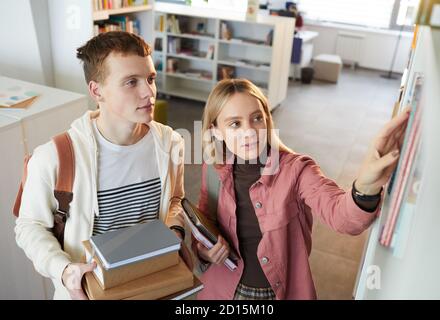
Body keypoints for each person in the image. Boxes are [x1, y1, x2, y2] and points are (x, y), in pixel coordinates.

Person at [193, 78, 410, 299]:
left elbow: (341, 216)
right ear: (216, 131)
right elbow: (204, 225)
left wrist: (365, 187)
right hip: (220, 291)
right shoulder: (213, 170)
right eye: (235, 124)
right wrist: (204, 252)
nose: (249, 131)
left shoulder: (297, 170)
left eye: (256, 118)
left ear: (267, 120)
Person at [15, 31, 190, 300]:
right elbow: (29, 226)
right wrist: (63, 270)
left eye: (150, 79)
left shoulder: (171, 143)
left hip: (155, 284)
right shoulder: (55, 157)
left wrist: (175, 230)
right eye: (131, 82)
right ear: (97, 90)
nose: (149, 92)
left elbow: (175, 199)